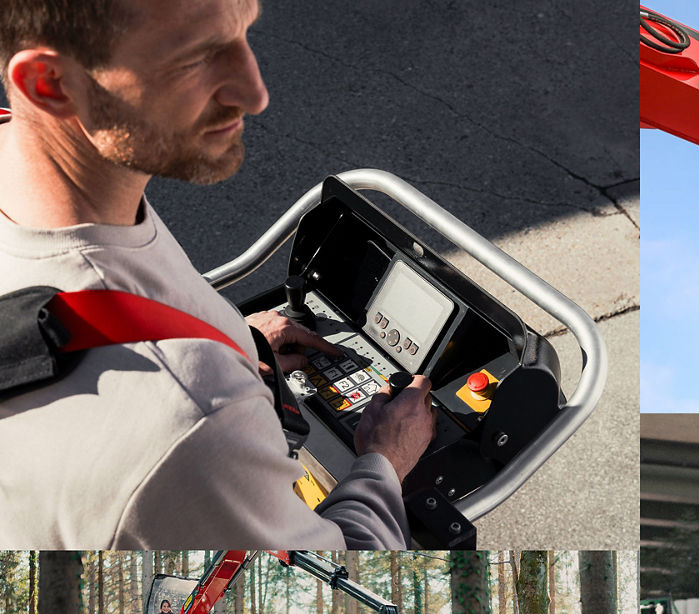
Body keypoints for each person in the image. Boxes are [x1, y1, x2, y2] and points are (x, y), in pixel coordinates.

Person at [0, 0, 436, 548]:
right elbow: (333, 577)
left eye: (245, 31)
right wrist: (384, 463)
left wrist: (235, 342)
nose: (255, 93)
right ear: (51, 84)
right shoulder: (191, 423)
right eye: (195, 57)